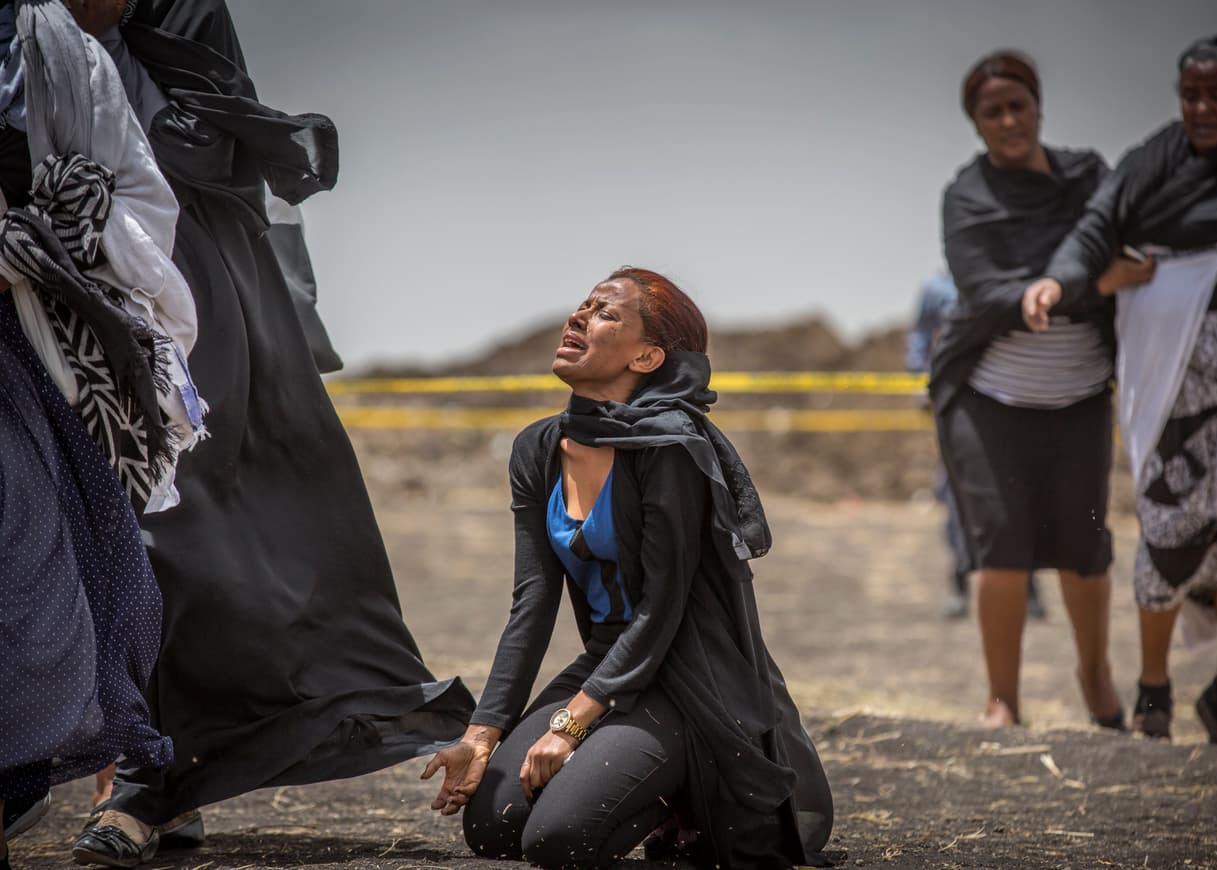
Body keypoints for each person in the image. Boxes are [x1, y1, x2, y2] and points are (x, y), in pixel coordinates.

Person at [64, 2, 475, 865]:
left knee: (174, 534)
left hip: (184, 290)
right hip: (44, 282)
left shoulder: (177, 13)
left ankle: (150, 779)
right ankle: (148, 773)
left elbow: (217, 143)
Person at [422, 268, 833, 869]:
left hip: (690, 672)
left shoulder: (669, 449)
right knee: (494, 827)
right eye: (583, 305)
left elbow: (664, 606)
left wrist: (570, 724)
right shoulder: (537, 450)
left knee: (558, 842)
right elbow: (532, 603)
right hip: (611, 663)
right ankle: (646, 777)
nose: (579, 317)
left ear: (646, 355)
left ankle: (692, 787)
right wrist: (481, 735)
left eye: (606, 313)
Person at [1026, 36, 1217, 747]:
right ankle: (1155, 690)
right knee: (1168, 528)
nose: (1200, 108)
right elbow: (1092, 231)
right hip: (1169, 380)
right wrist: (1059, 280)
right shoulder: (1152, 161)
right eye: (1190, 94)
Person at [1, 0, 191, 863]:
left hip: (31, 344)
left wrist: (37, 247)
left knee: (46, 571)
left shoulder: (60, 57)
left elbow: (136, 195)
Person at [930, 50, 1153, 729]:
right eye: (991, 112)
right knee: (1002, 545)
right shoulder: (967, 197)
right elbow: (983, 289)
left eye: (1017, 105)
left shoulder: (1090, 176)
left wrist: (1077, 282)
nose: (1007, 121)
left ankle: (1097, 680)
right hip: (987, 396)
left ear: (1038, 106)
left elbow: (1135, 256)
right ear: (977, 124)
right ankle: (1004, 700)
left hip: (1081, 395)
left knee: (1086, 551)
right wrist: (1089, 282)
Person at [906, 270, 1045, 621]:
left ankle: (1028, 587)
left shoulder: (1013, 279)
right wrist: (921, 380)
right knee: (958, 496)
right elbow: (921, 337)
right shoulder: (936, 288)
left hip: (1010, 401)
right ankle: (961, 583)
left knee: (1018, 491)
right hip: (959, 403)